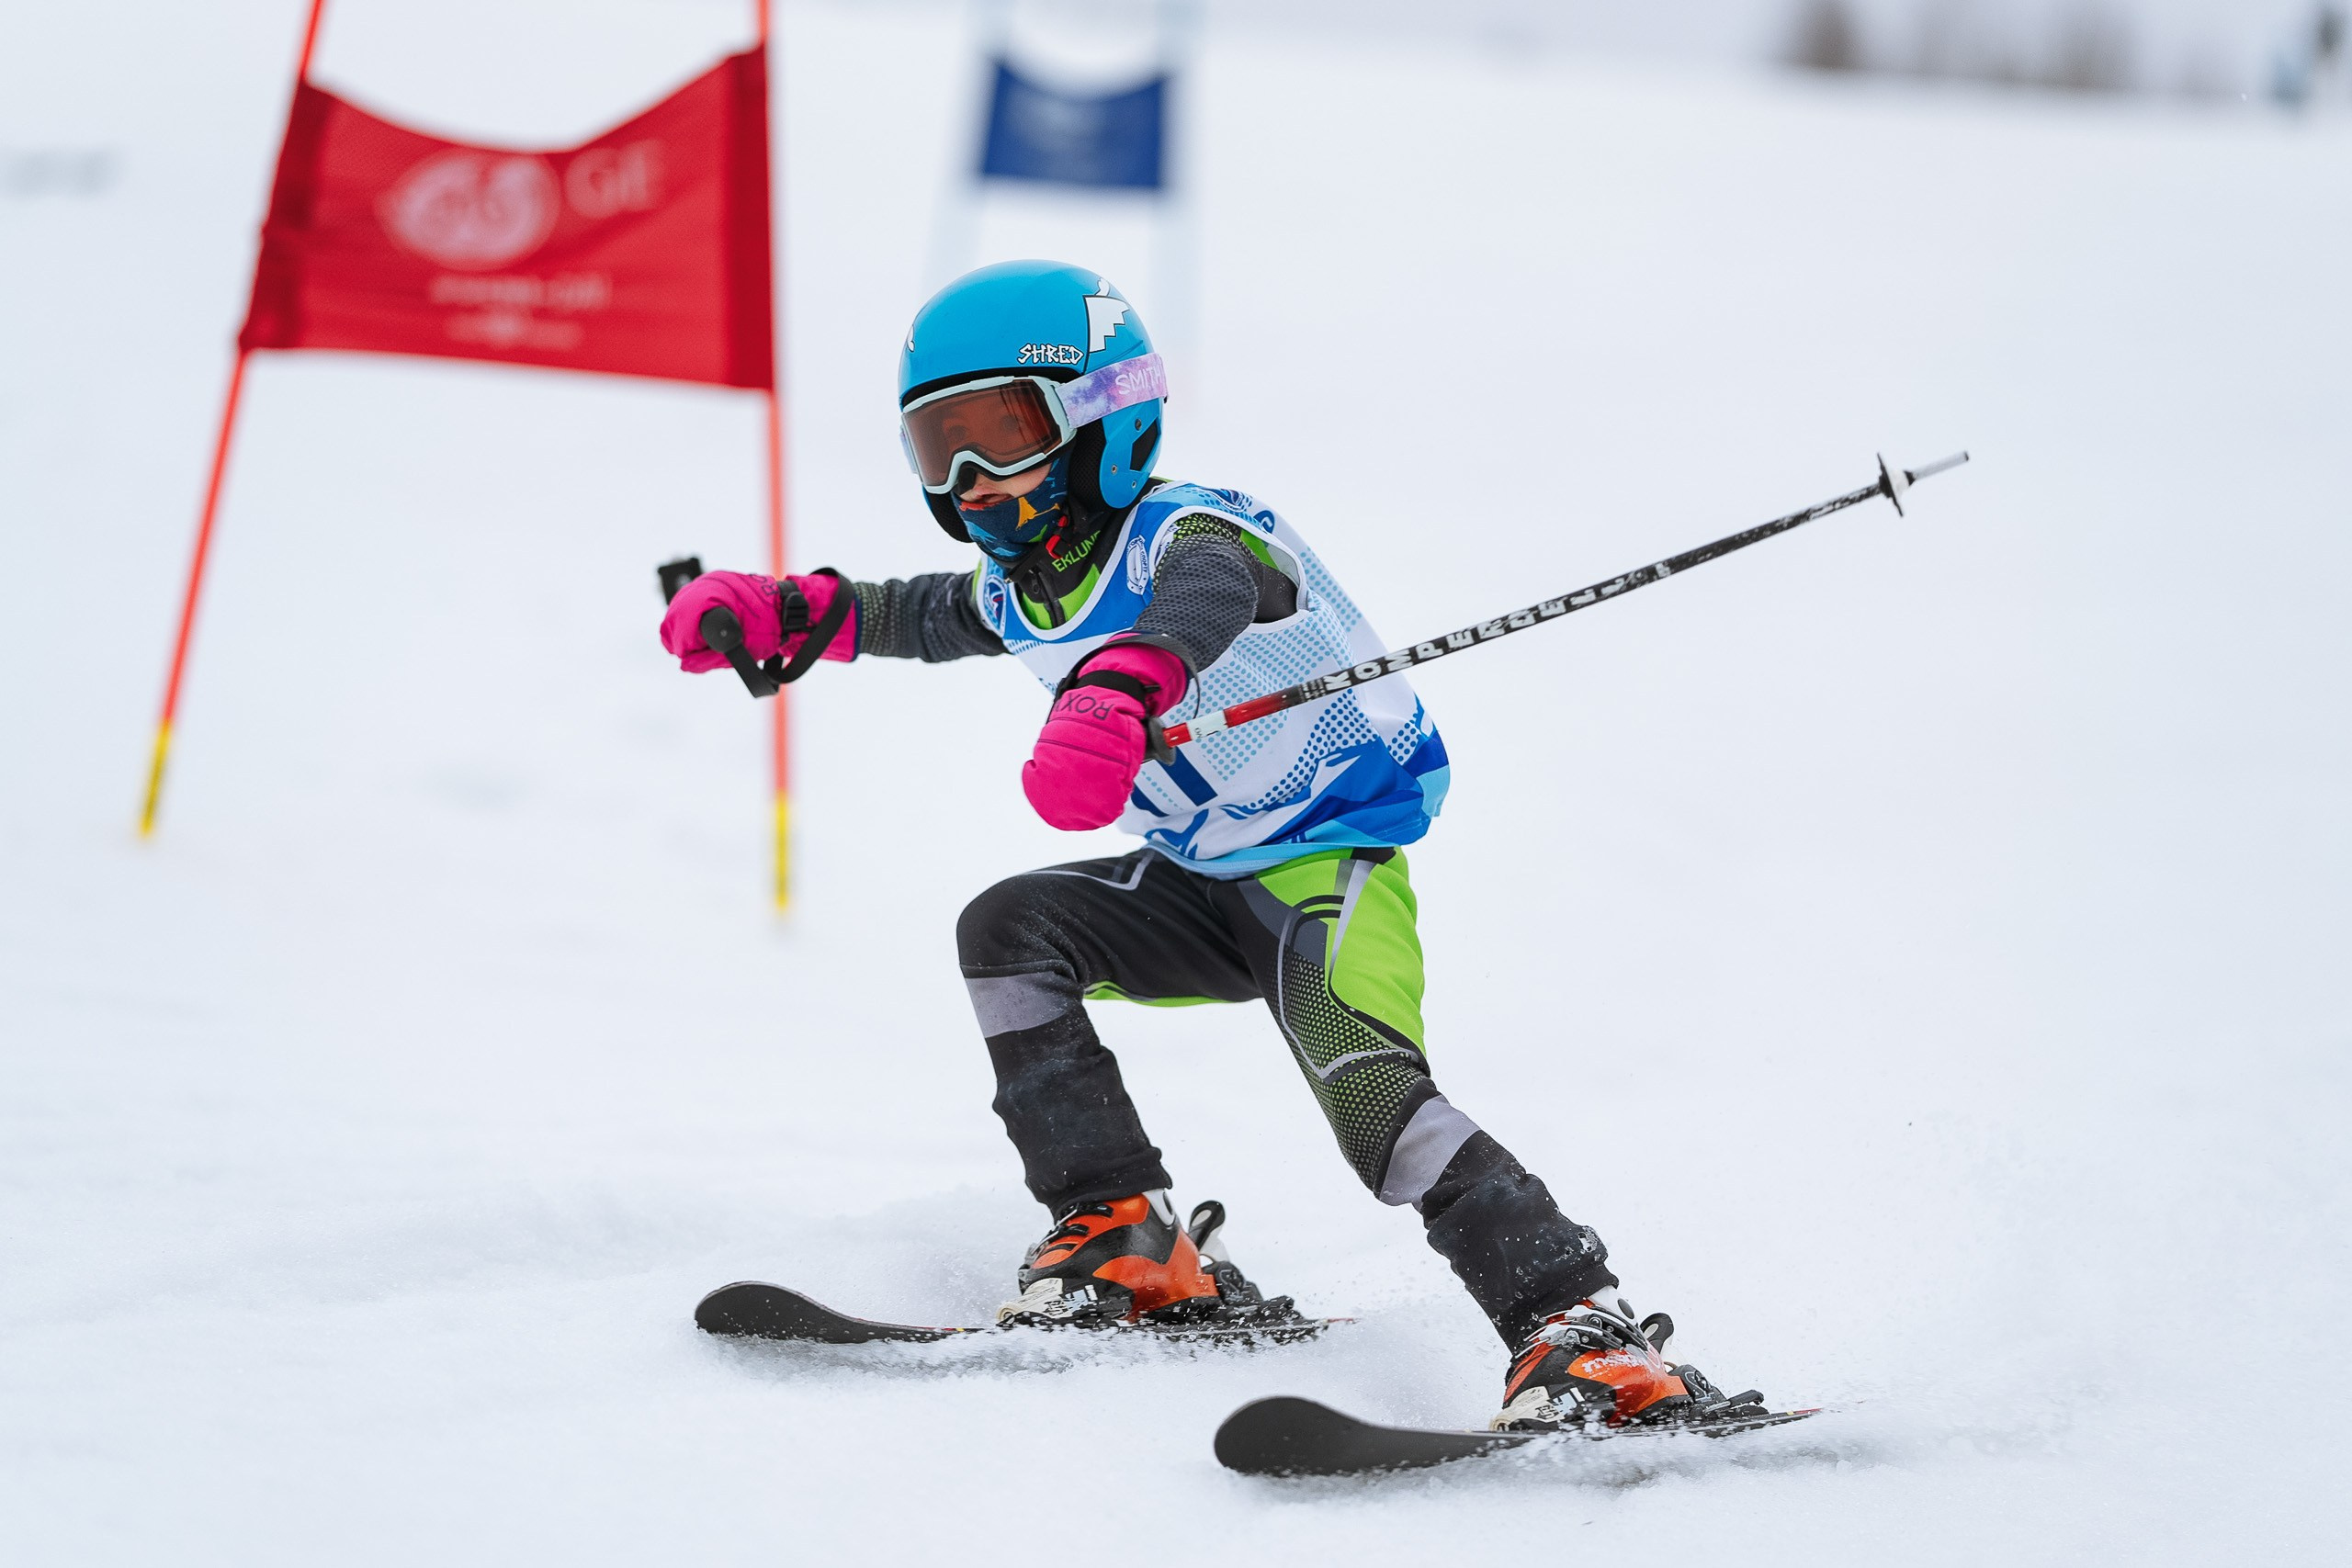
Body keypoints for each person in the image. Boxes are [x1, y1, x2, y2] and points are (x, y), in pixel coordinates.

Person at [660, 259, 1753, 1431]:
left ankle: (1583, 1333)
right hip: (1196, 884)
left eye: (1002, 436)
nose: (972, 482)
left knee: (1369, 1096)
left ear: (1102, 420)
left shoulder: (1196, 532)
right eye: (940, 448)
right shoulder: (1024, 585)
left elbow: (1207, 596)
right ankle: (1124, 1239)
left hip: (1321, 867)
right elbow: (922, 612)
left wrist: (1121, 685)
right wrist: (797, 612)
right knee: (1009, 932)